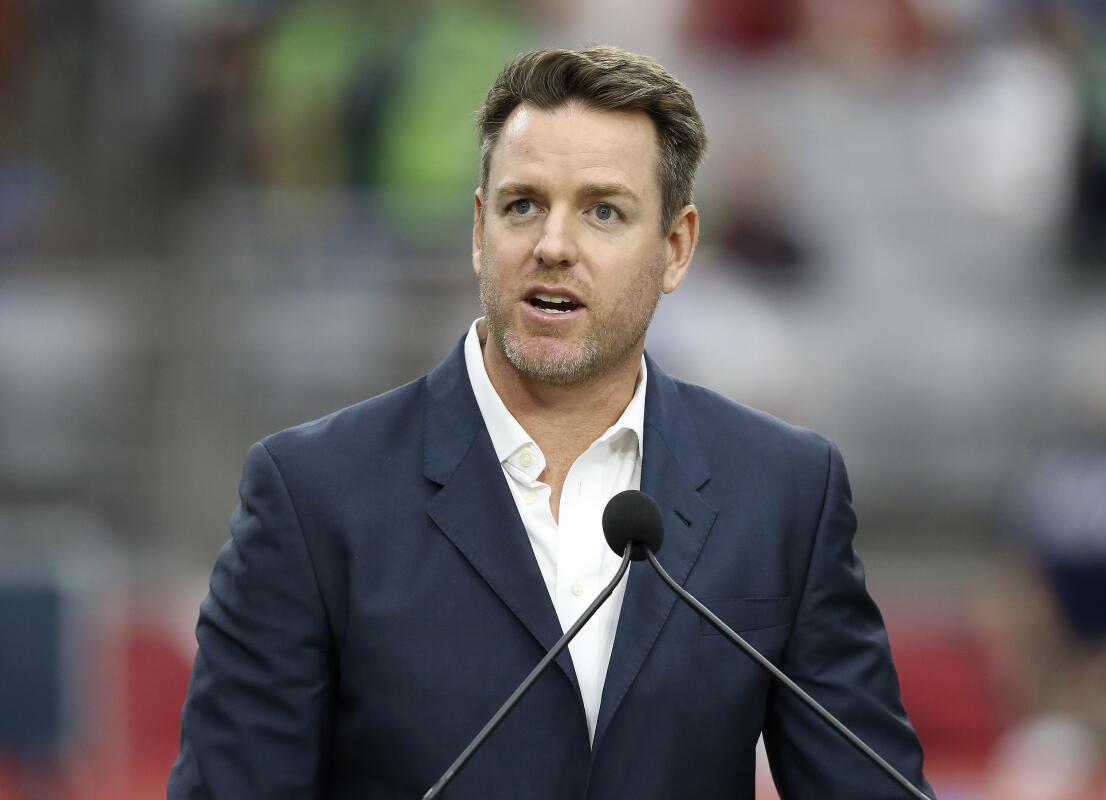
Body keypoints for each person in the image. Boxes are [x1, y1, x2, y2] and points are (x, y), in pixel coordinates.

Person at [168, 46, 933, 799]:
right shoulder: (311, 497)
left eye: (603, 211)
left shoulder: (783, 492)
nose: (553, 246)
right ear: (478, 232)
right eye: (523, 205)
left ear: (675, 248)